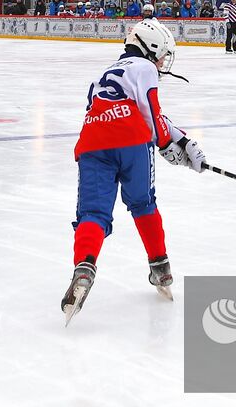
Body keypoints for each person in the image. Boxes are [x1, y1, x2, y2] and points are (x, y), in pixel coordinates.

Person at [62, 19, 205, 322]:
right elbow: (151, 112)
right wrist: (167, 144)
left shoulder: (107, 73)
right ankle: (160, 268)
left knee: (93, 214)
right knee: (142, 203)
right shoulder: (146, 69)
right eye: (163, 54)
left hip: (92, 141)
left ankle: (84, 268)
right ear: (151, 48)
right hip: (131, 140)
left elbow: (134, 110)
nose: (164, 61)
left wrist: (183, 139)